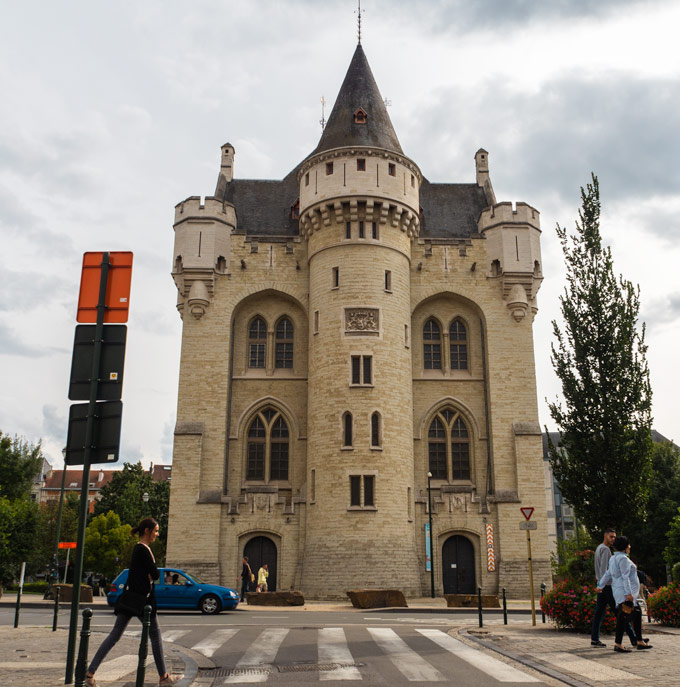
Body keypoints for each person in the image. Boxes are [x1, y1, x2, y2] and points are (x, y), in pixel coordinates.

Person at [84, 518, 183, 687]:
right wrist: (151, 571)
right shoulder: (143, 550)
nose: (157, 534)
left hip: (131, 599)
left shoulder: (139, 549)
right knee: (156, 636)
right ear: (147, 531)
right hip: (142, 602)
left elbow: (149, 574)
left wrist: (150, 573)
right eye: (156, 531)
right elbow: (155, 574)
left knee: (115, 635)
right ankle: (164, 678)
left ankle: (90, 673)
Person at [597, 535, 652, 653]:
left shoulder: (613, 558)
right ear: (626, 547)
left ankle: (639, 641)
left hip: (618, 591)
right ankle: (618, 644)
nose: (630, 547)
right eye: (629, 545)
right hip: (625, 592)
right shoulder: (624, 560)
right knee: (623, 617)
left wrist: (600, 585)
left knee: (636, 613)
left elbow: (608, 573)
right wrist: (628, 594)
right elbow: (625, 577)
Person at [590, 529, 636, 648]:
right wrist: (603, 584)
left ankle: (594, 639)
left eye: (614, 537)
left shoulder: (599, 548)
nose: (613, 539)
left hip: (602, 585)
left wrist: (599, 585)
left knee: (599, 613)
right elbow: (607, 570)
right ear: (605, 536)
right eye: (611, 537)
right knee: (622, 612)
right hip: (608, 586)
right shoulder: (605, 550)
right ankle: (634, 638)